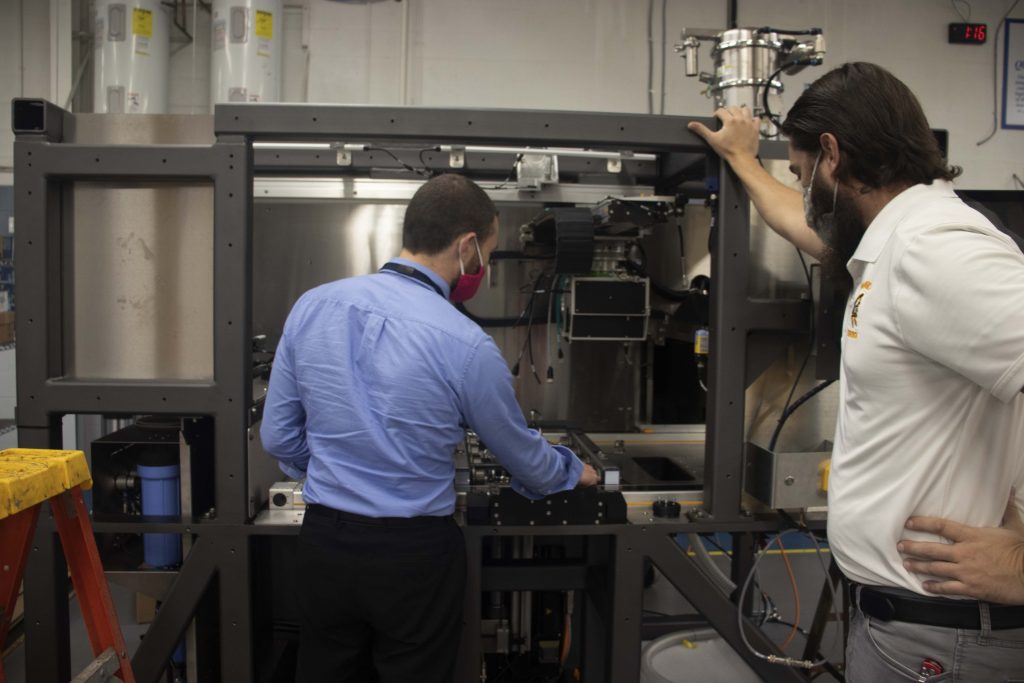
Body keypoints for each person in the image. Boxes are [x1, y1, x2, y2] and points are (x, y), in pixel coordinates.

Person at [688, 62, 1024, 681]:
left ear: (832, 156)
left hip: (942, 639)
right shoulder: (893, 245)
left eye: (800, 171)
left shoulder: (936, 251)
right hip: (909, 629)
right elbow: (807, 223)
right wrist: (746, 163)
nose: (804, 189)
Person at [260, 173, 599, 683]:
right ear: (466, 247)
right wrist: (573, 473)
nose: (482, 267)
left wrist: (341, 474)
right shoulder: (466, 343)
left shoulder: (312, 305)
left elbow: (279, 437)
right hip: (412, 558)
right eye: (487, 252)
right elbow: (522, 457)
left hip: (324, 545)